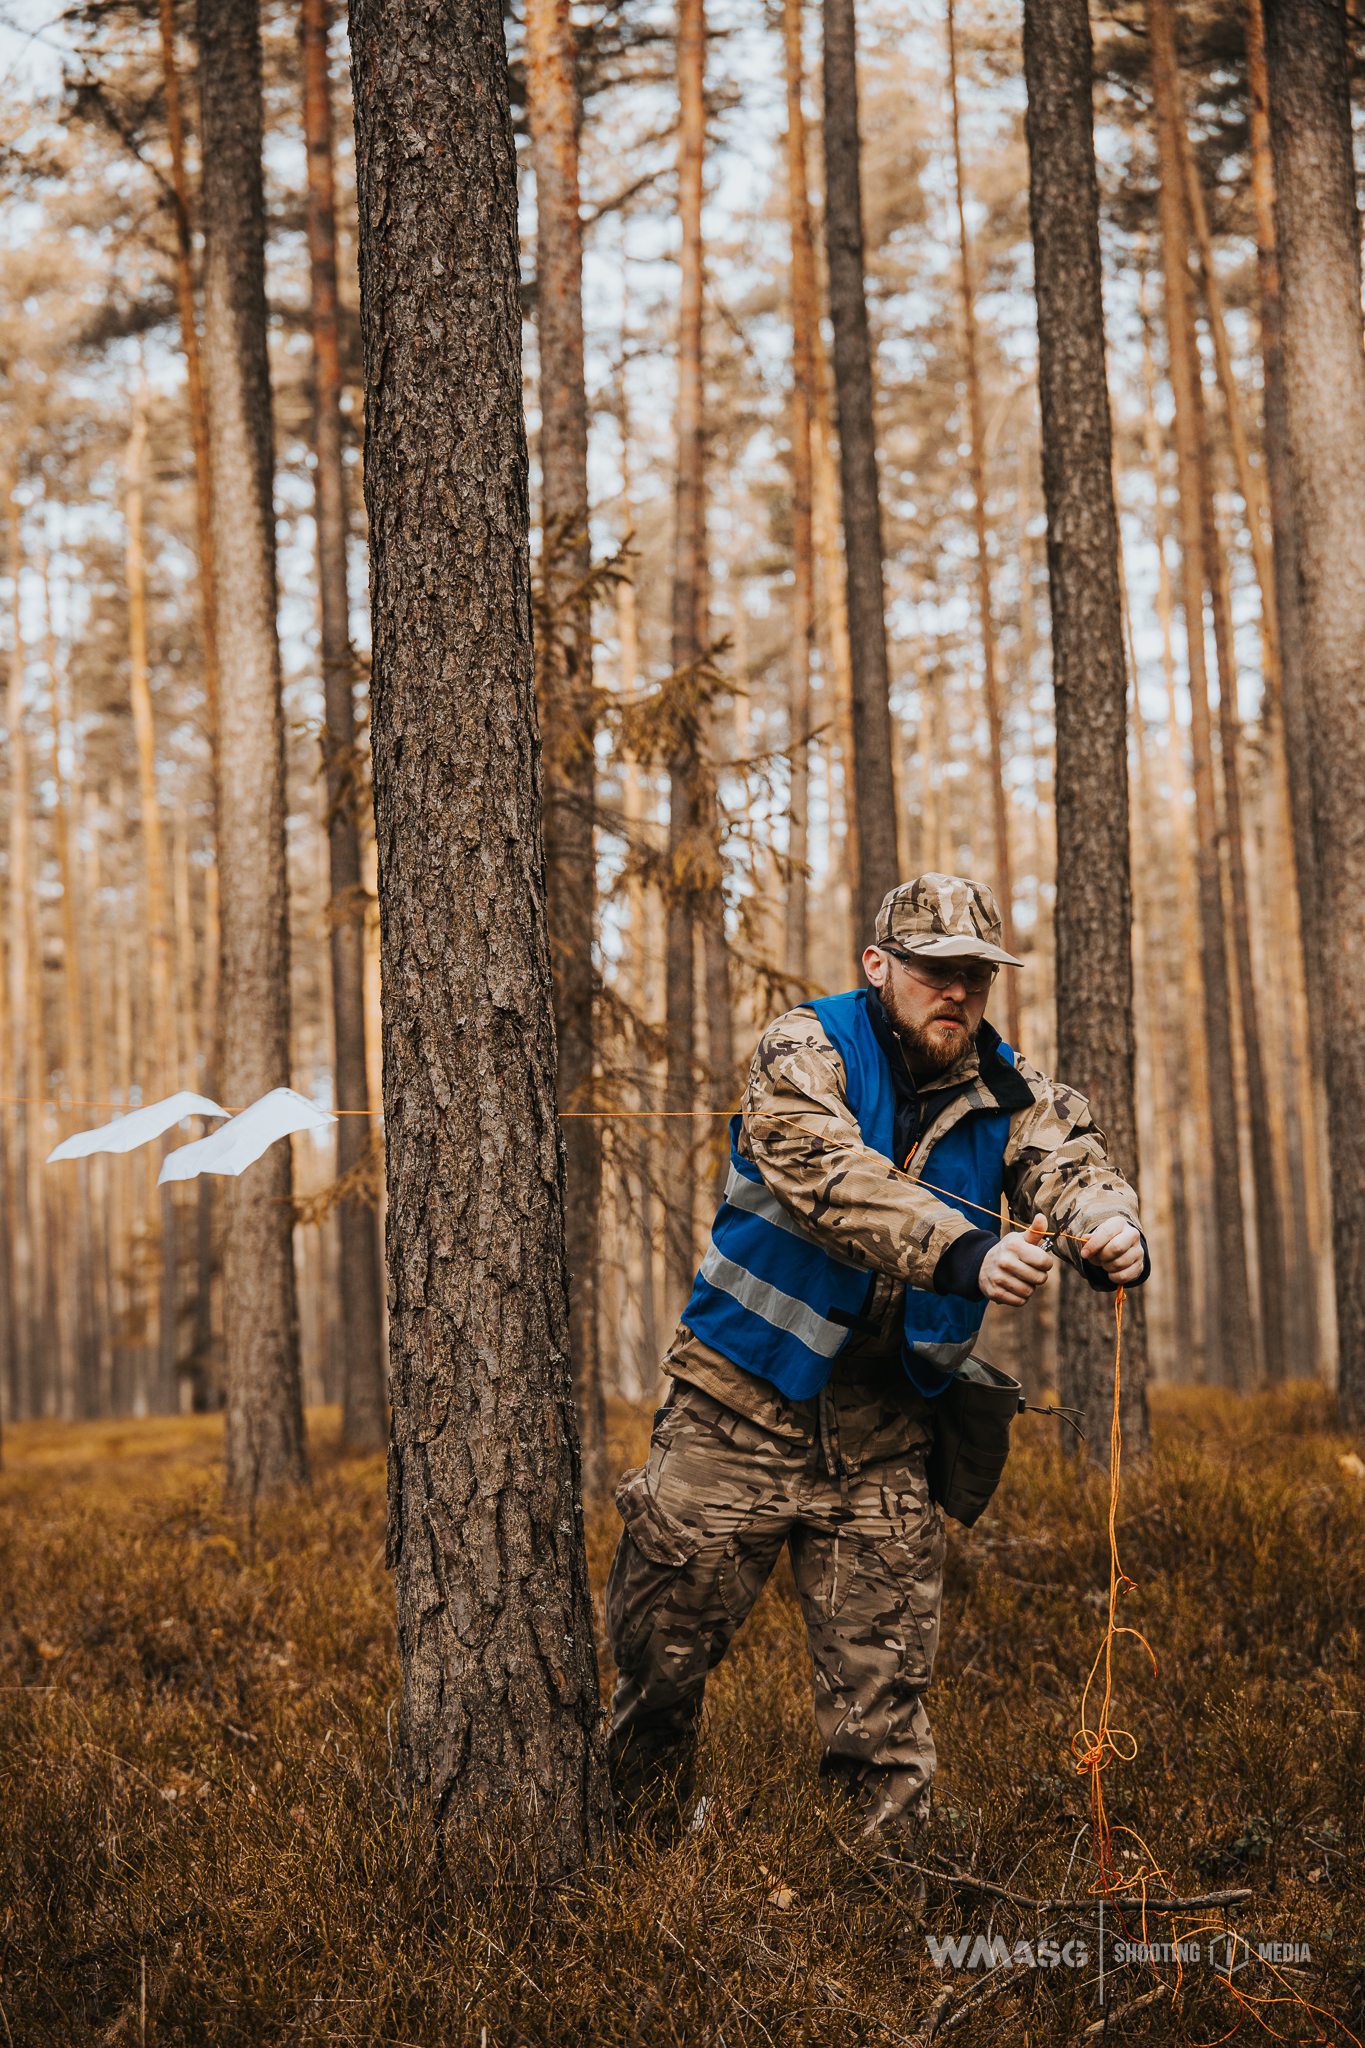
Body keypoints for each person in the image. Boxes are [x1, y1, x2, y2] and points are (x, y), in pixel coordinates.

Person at [606, 873, 1148, 1843]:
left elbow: (1073, 1164)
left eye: (976, 974)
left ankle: (884, 1900)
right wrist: (966, 1250)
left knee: (885, 1703)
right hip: (735, 1403)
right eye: (937, 969)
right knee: (658, 1664)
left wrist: (1110, 1227)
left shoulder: (1014, 1092)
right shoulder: (804, 1046)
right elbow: (827, 1173)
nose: (959, 993)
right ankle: (637, 1860)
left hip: (885, 1433)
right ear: (879, 965)